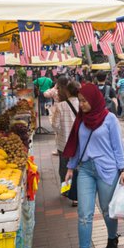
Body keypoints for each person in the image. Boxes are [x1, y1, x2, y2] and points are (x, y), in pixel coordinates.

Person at [63, 83, 124, 248]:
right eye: (80, 101)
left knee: (107, 209)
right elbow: (77, 146)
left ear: (93, 99)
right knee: (84, 214)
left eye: (84, 101)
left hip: (107, 170)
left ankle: (112, 238)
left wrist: (123, 170)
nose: (82, 104)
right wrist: (70, 167)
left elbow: (118, 147)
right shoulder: (81, 120)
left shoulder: (110, 119)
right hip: (85, 169)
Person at [50, 77, 80, 206]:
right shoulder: (83, 103)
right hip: (80, 142)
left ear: (67, 92)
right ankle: (77, 196)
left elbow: (55, 126)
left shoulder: (61, 106)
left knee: (64, 168)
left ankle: (66, 191)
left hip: (64, 143)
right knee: (78, 168)